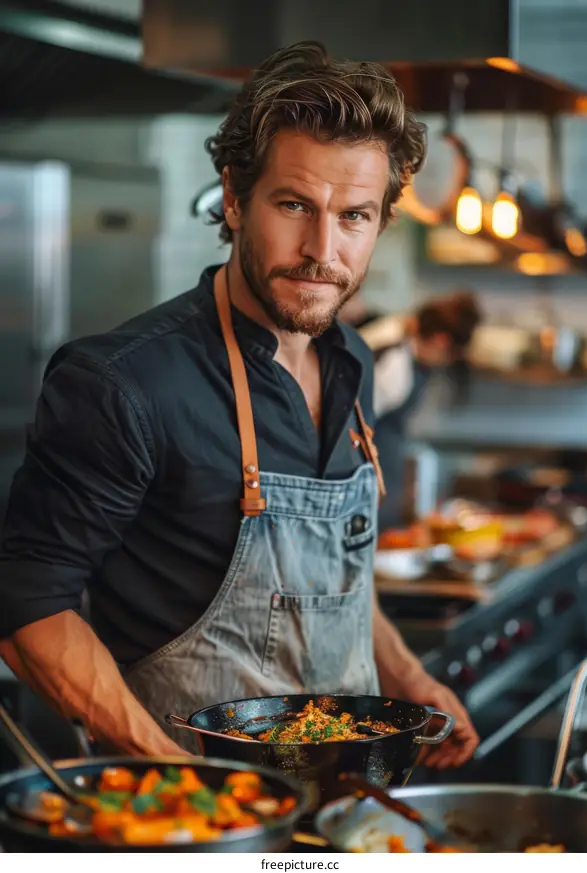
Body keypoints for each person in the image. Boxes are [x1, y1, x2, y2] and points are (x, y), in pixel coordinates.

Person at [0, 42, 478, 768]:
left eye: (354, 216)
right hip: (204, 821)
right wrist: (174, 771)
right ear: (233, 196)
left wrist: (412, 678)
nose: (323, 250)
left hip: (356, 798)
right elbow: (26, 602)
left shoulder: (354, 362)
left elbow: (330, 585)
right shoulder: (125, 383)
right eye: (295, 205)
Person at [343, 291, 482, 529]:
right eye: (450, 356)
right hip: (362, 477)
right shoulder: (394, 366)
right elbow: (351, 427)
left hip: (381, 473)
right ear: (441, 340)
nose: (445, 363)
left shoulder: (405, 344)